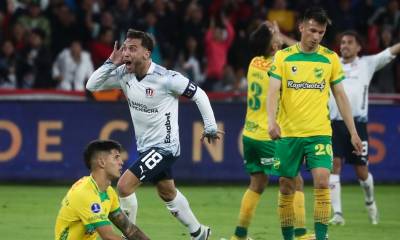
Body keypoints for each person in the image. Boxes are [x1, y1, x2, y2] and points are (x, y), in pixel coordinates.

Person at [86, 29, 223, 240]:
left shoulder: (166, 78)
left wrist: (210, 126)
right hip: (146, 148)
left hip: (165, 148)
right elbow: (92, 85)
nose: (127, 53)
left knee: (123, 186)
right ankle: (200, 233)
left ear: (147, 53)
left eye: (133, 49)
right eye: (125, 48)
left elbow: (199, 94)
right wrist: (110, 62)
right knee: (167, 192)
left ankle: (127, 237)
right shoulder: (124, 74)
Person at [267, 7, 363, 240]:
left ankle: (321, 237)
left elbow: (340, 95)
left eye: (321, 32)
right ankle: (288, 238)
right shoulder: (283, 57)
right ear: (301, 27)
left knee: (322, 180)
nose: (316, 36)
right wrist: (271, 121)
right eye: (312, 30)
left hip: (319, 133)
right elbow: (272, 92)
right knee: (286, 186)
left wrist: (353, 132)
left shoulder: (329, 58)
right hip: (288, 134)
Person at [230, 21, 313, 240]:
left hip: (250, 136)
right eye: (275, 39)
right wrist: (282, 36)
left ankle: (239, 236)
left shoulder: (254, 63)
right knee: (295, 182)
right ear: (273, 47)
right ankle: (301, 234)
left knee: (257, 183)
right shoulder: (281, 66)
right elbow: (305, 51)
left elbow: (274, 50)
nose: (278, 41)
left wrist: (273, 35)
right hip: (270, 137)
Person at [328, 30, 400, 226]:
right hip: (334, 123)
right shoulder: (330, 63)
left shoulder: (367, 64)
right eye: (342, 42)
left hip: (357, 124)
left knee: (361, 171)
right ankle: (338, 214)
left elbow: (390, 52)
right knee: (334, 165)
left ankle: (370, 201)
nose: (345, 46)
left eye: (350, 42)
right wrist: (282, 39)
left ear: (358, 47)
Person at [54, 139, 149, 240]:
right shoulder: (85, 193)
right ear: (102, 162)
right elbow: (108, 237)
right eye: (116, 157)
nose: (121, 162)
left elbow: (129, 229)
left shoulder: (108, 192)